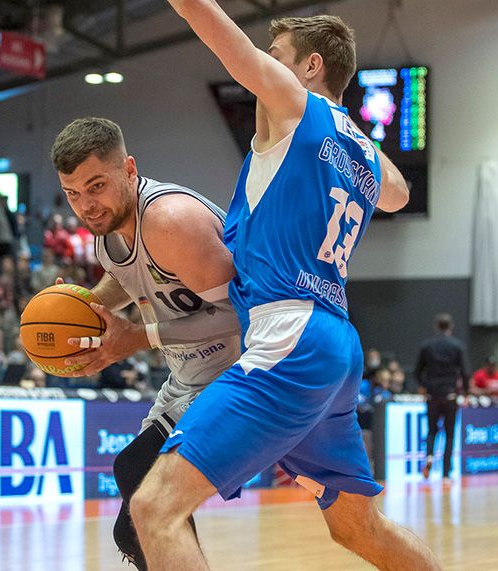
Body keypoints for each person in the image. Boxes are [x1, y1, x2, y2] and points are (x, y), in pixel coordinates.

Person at [131, 5, 442, 570]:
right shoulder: (363, 153)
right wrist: (357, 142)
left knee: (154, 507)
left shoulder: (296, 105)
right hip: (336, 342)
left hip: (288, 333)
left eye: (277, 59)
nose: (264, 69)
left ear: (311, 67)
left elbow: (227, 45)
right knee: (358, 527)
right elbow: (396, 193)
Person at [50, 117, 241, 569]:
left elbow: (241, 316)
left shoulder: (170, 222)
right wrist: (78, 309)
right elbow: (127, 278)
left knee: (138, 483)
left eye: (96, 185)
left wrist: (137, 338)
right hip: (191, 375)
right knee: (138, 514)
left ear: (129, 169)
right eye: (73, 194)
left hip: (245, 372)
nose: (86, 205)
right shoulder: (107, 237)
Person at [415, 313, 470, 482]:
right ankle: (446, 473)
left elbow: (417, 371)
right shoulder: (457, 346)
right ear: (450, 326)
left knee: (432, 430)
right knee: (450, 434)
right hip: (451, 395)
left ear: (436, 326)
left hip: (432, 395)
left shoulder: (427, 346)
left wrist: (424, 386)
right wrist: (466, 393)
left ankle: (430, 456)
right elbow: (465, 372)